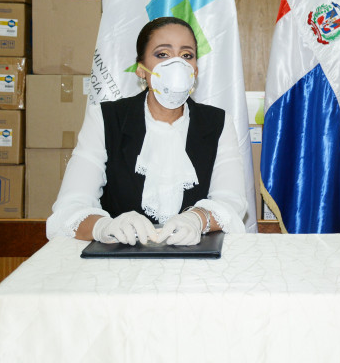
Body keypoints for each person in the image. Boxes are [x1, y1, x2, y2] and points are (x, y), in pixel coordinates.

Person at [46, 17, 247, 245]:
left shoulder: (218, 123)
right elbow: (69, 208)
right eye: (163, 54)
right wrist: (104, 227)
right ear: (141, 70)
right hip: (117, 258)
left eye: (186, 55)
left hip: (195, 259)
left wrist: (197, 220)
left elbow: (231, 202)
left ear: (195, 70)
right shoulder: (106, 119)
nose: (176, 64)